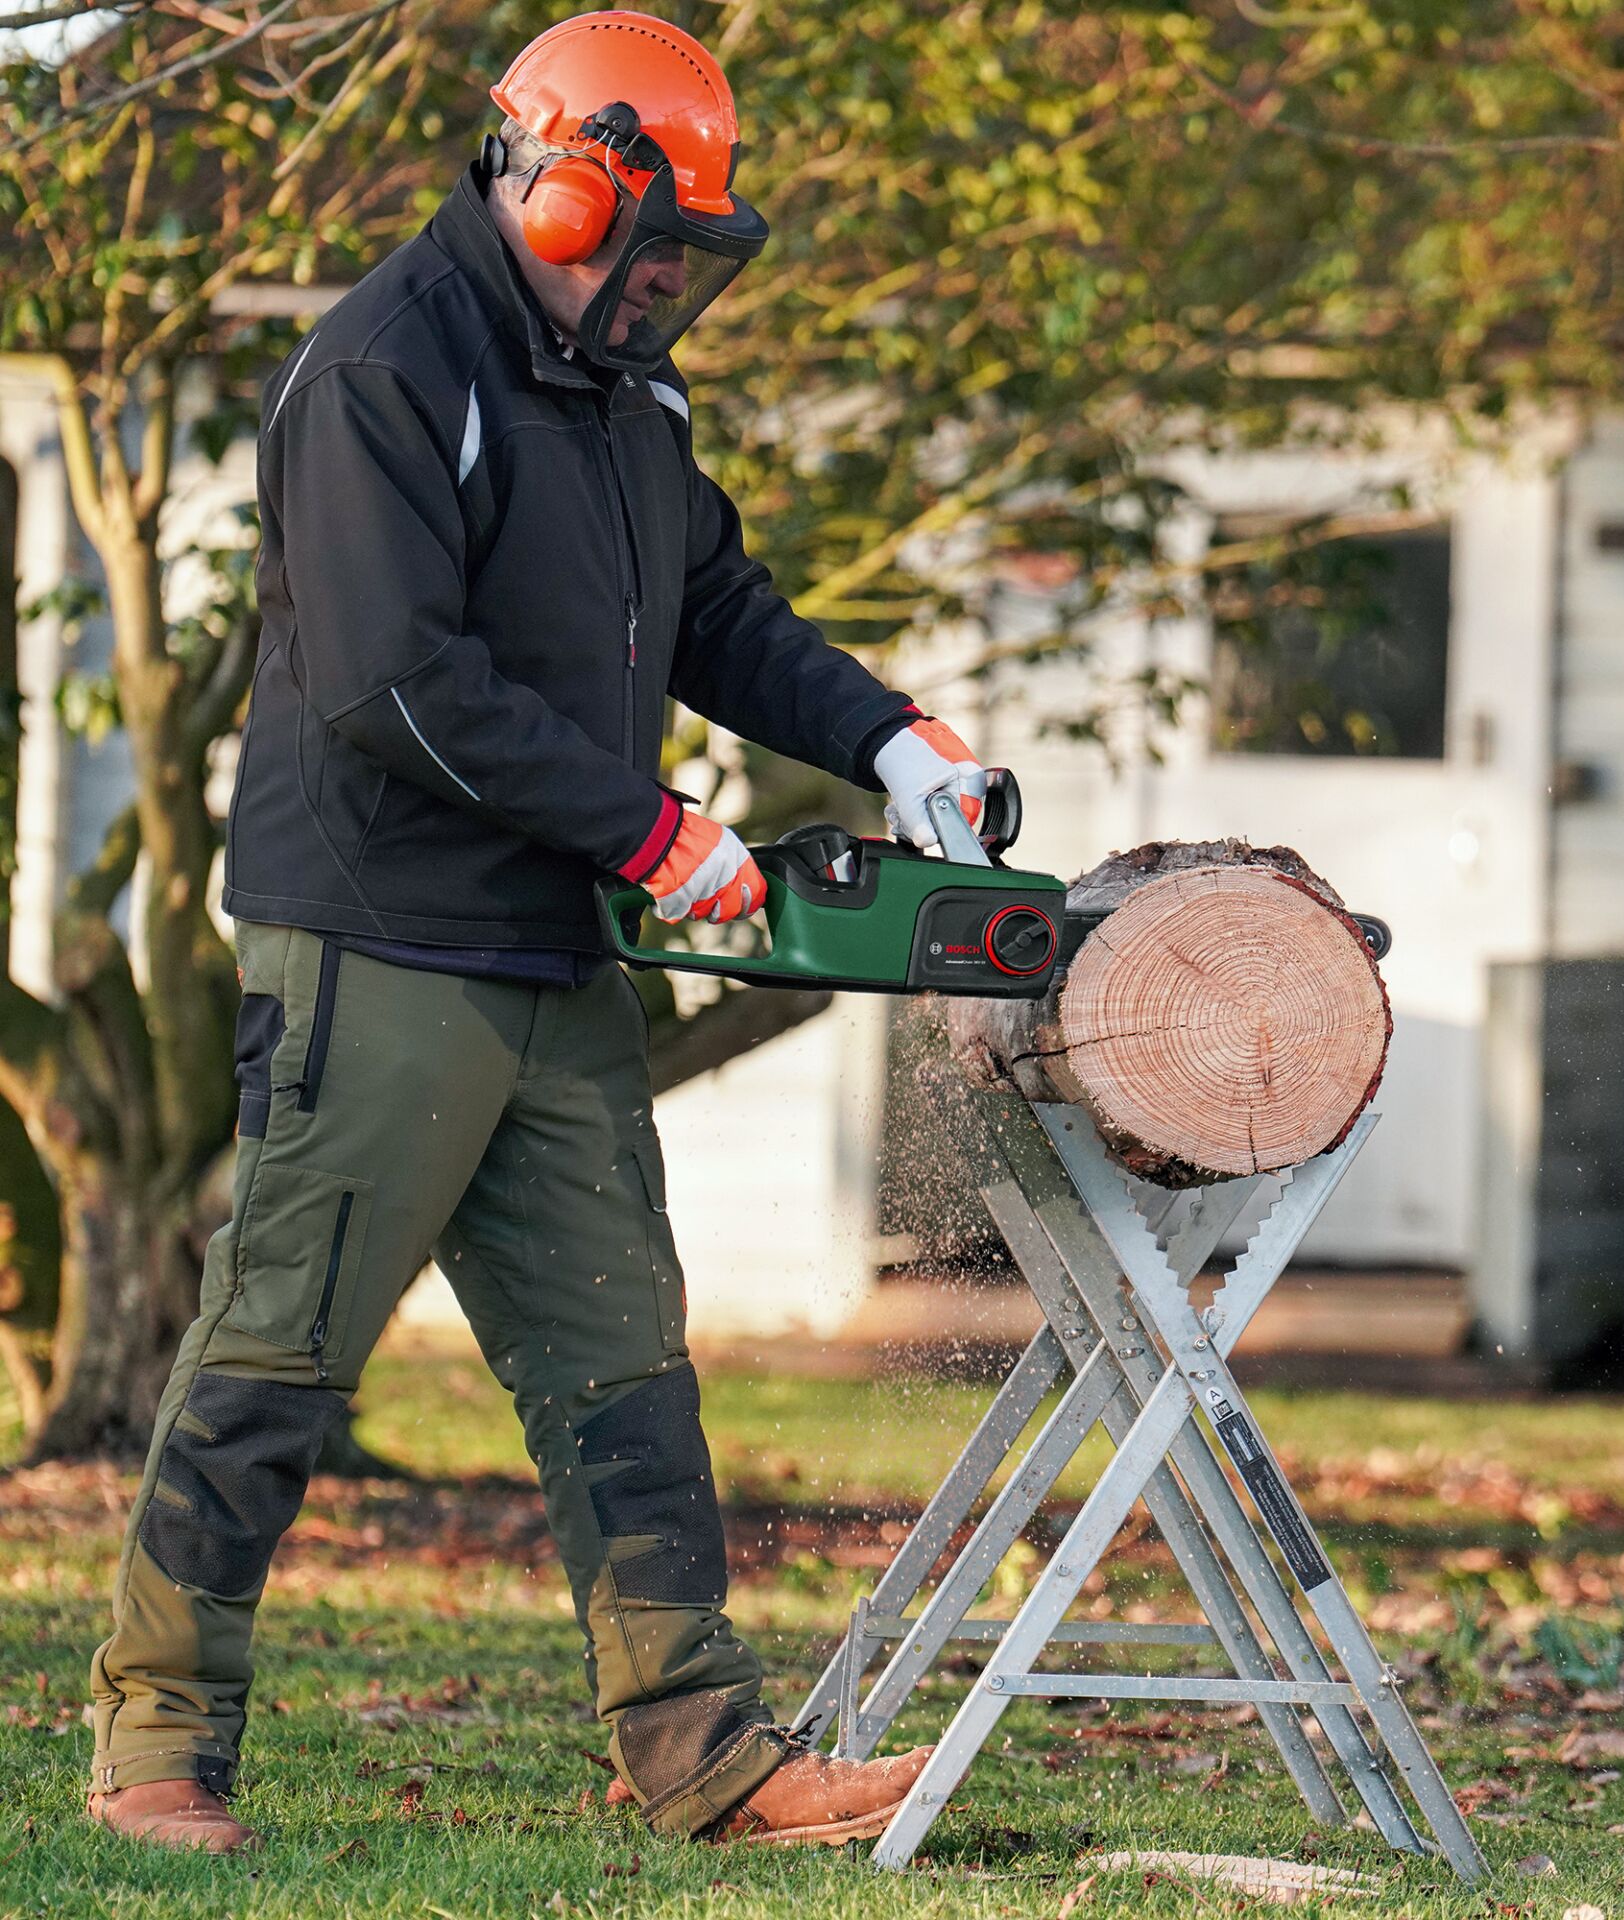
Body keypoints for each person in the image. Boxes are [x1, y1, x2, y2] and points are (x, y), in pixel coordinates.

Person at [85, 10, 994, 1854]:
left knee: (622, 1361)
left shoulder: (625, 394)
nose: (669, 294)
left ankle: (704, 1759)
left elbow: (717, 608)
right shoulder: (382, 370)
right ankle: (153, 1751)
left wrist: (887, 739)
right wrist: (653, 830)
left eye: (690, 266)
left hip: (551, 943)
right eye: (651, 253)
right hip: (379, 939)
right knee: (282, 1345)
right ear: (561, 189)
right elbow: (389, 684)